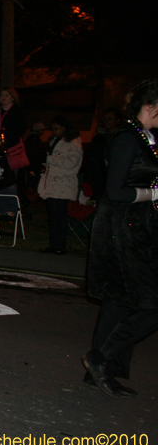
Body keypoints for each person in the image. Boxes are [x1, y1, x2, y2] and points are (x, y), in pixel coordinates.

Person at [83, 79, 158, 398]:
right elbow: (115, 190)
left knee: (118, 300)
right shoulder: (127, 139)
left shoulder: (147, 138)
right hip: (120, 226)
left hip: (136, 224)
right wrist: (153, 192)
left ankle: (102, 370)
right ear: (151, 107)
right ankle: (99, 359)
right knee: (150, 301)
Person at [37, 115, 83, 255]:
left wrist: (49, 159)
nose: (54, 131)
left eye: (56, 128)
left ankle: (60, 245)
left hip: (63, 183)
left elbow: (70, 163)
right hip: (53, 182)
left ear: (64, 128)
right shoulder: (57, 141)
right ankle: (54, 244)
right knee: (53, 216)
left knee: (59, 216)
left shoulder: (73, 143)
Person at [0, 87, 27, 217]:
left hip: (11, 150)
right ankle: (1, 207)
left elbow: (20, 130)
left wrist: (6, 137)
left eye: (7, 95)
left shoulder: (17, 112)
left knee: (10, 180)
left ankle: (12, 208)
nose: (3, 98)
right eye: (2, 95)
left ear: (12, 97)